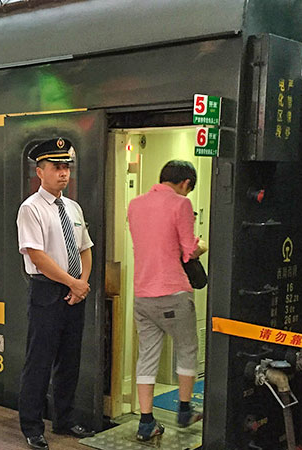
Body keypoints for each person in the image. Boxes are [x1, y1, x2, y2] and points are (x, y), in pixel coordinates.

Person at [16, 137, 96, 450]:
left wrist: (82, 282)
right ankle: (32, 427)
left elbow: (85, 248)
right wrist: (72, 283)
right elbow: (37, 256)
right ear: (40, 172)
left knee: (69, 359)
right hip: (47, 291)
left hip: (75, 291)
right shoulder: (31, 209)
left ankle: (64, 419)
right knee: (39, 361)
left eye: (66, 167)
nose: (64, 173)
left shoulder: (73, 207)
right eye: (56, 167)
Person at [126, 159, 206, 441]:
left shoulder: (135, 204)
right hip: (172, 292)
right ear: (185, 183)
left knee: (147, 355)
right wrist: (201, 245)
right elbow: (188, 249)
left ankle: (146, 422)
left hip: (142, 294)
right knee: (187, 347)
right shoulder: (181, 205)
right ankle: (184, 410)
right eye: (188, 189)